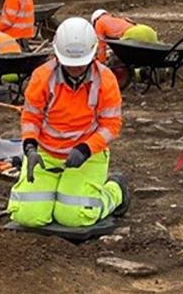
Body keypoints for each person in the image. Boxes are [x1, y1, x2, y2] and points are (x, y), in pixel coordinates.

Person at [9, 17, 129, 229]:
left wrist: (85, 149)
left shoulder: (105, 79)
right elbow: (31, 117)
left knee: (75, 216)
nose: (75, 69)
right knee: (27, 215)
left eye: (81, 64)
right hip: (45, 154)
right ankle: (57, 191)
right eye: (70, 64)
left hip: (87, 155)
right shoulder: (42, 77)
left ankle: (116, 191)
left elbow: (111, 125)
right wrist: (29, 147)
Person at [90, 8, 158, 63]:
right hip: (148, 30)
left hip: (133, 34)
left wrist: (101, 62)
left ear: (94, 21)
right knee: (148, 56)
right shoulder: (116, 18)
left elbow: (102, 46)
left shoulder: (99, 23)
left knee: (131, 59)